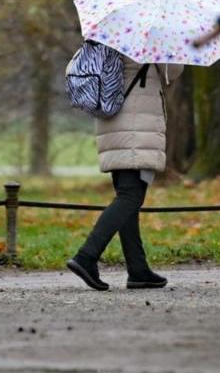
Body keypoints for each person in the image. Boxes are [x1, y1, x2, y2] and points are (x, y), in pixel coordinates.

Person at [66, 57, 180, 291]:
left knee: (128, 197)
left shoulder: (111, 34)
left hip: (113, 118)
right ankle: (87, 256)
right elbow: (173, 73)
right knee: (130, 196)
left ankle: (138, 270)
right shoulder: (148, 36)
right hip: (136, 125)